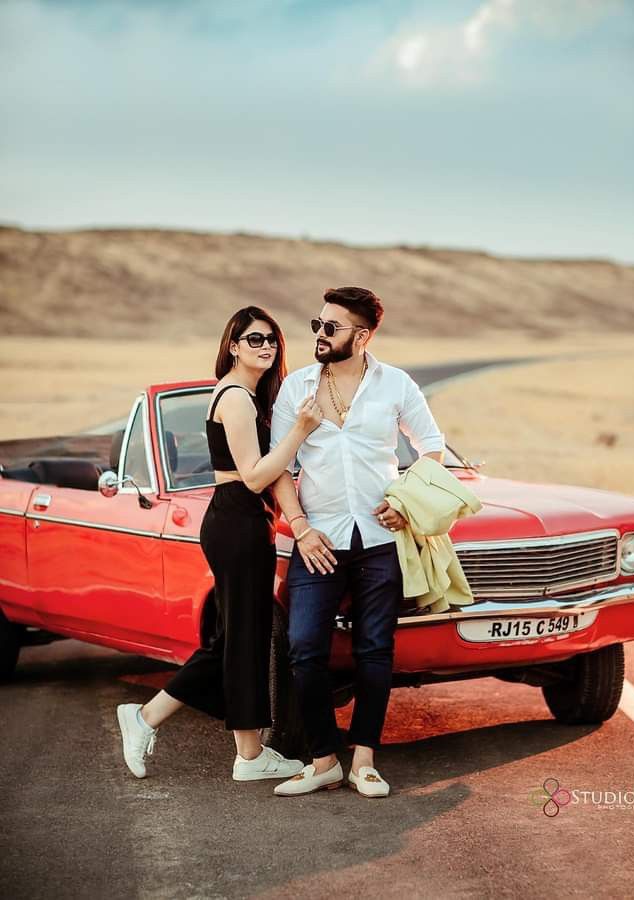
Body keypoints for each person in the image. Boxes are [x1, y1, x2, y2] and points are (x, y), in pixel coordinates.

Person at [116, 306, 323, 782]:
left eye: (271, 339)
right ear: (232, 345)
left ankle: (247, 755)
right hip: (236, 520)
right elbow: (254, 477)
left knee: (238, 640)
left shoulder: (246, 395)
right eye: (254, 339)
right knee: (238, 639)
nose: (266, 346)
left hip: (241, 522)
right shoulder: (235, 398)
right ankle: (148, 719)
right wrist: (300, 431)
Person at [269, 286, 445, 798]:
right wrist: (299, 525)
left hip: (380, 538)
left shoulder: (397, 385)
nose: (319, 335)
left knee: (374, 649)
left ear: (362, 336)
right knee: (304, 648)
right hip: (317, 536)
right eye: (317, 325)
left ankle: (364, 759)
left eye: (331, 327)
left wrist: (408, 499)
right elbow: (280, 464)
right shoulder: (296, 388)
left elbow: (431, 447)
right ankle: (323, 758)